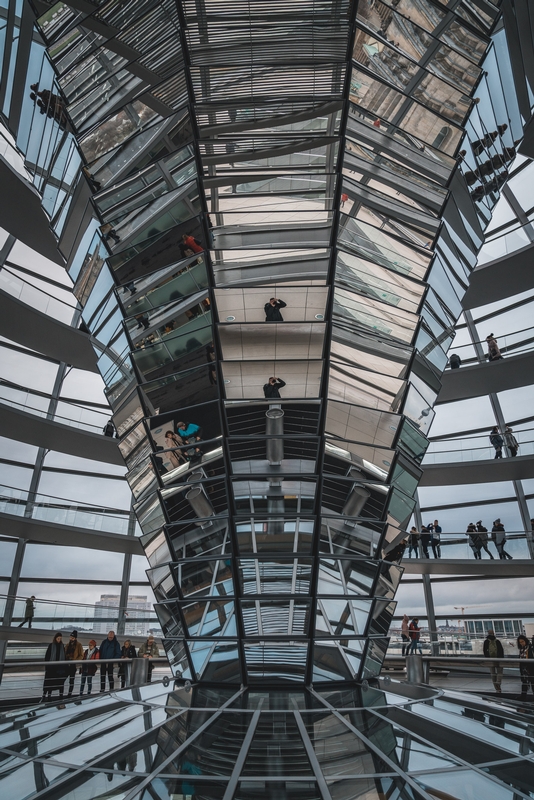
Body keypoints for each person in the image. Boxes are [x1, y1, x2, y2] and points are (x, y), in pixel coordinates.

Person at [43, 632, 66, 700]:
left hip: (59, 669)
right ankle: (46, 696)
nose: (59, 640)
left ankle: (60, 696)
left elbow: (63, 656)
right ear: (55, 638)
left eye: (60, 639)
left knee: (58, 683)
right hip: (51, 668)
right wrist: (47, 666)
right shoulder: (51, 645)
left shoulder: (62, 646)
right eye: (58, 638)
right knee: (49, 683)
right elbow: (47, 656)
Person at [65, 630, 84, 697]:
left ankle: (69, 694)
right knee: (64, 679)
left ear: (75, 638)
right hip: (67, 665)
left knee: (71, 680)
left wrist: (75, 660)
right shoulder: (67, 645)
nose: (71, 639)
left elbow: (81, 655)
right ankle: (62, 694)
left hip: (73, 665)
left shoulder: (79, 645)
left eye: (72, 638)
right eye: (70, 637)